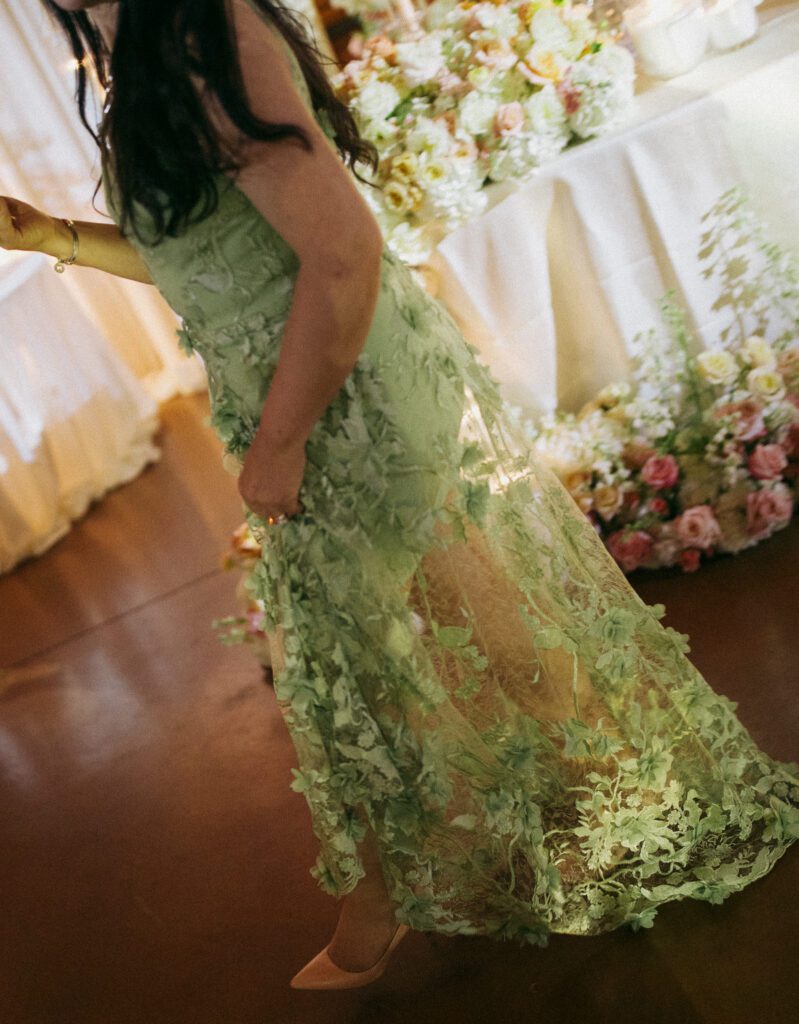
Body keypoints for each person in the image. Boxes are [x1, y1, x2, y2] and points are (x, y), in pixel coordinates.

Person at [2, 0, 797, 993]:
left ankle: (426, 881)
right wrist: (56, 237)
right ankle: (536, 829)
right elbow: (200, 258)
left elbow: (344, 253)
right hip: (298, 398)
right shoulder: (142, 48)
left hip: (350, 400)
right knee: (401, 641)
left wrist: (282, 443)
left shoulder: (207, 34)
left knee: (387, 651)